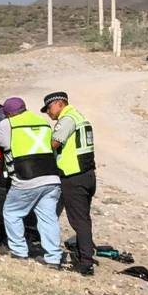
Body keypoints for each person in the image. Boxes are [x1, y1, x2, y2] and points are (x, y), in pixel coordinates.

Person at [0, 97, 63, 267]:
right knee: (48, 218)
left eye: (6, 114)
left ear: (10, 113)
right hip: (51, 177)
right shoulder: (42, 122)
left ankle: (19, 251)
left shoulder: (8, 125)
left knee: (12, 212)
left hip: (27, 177)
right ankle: (53, 258)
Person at [43, 90, 97, 276]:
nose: (48, 113)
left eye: (49, 108)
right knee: (83, 218)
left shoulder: (67, 119)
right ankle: (85, 254)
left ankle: (85, 262)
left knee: (79, 221)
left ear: (59, 103)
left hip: (73, 176)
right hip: (87, 175)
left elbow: (54, 143)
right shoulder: (80, 117)